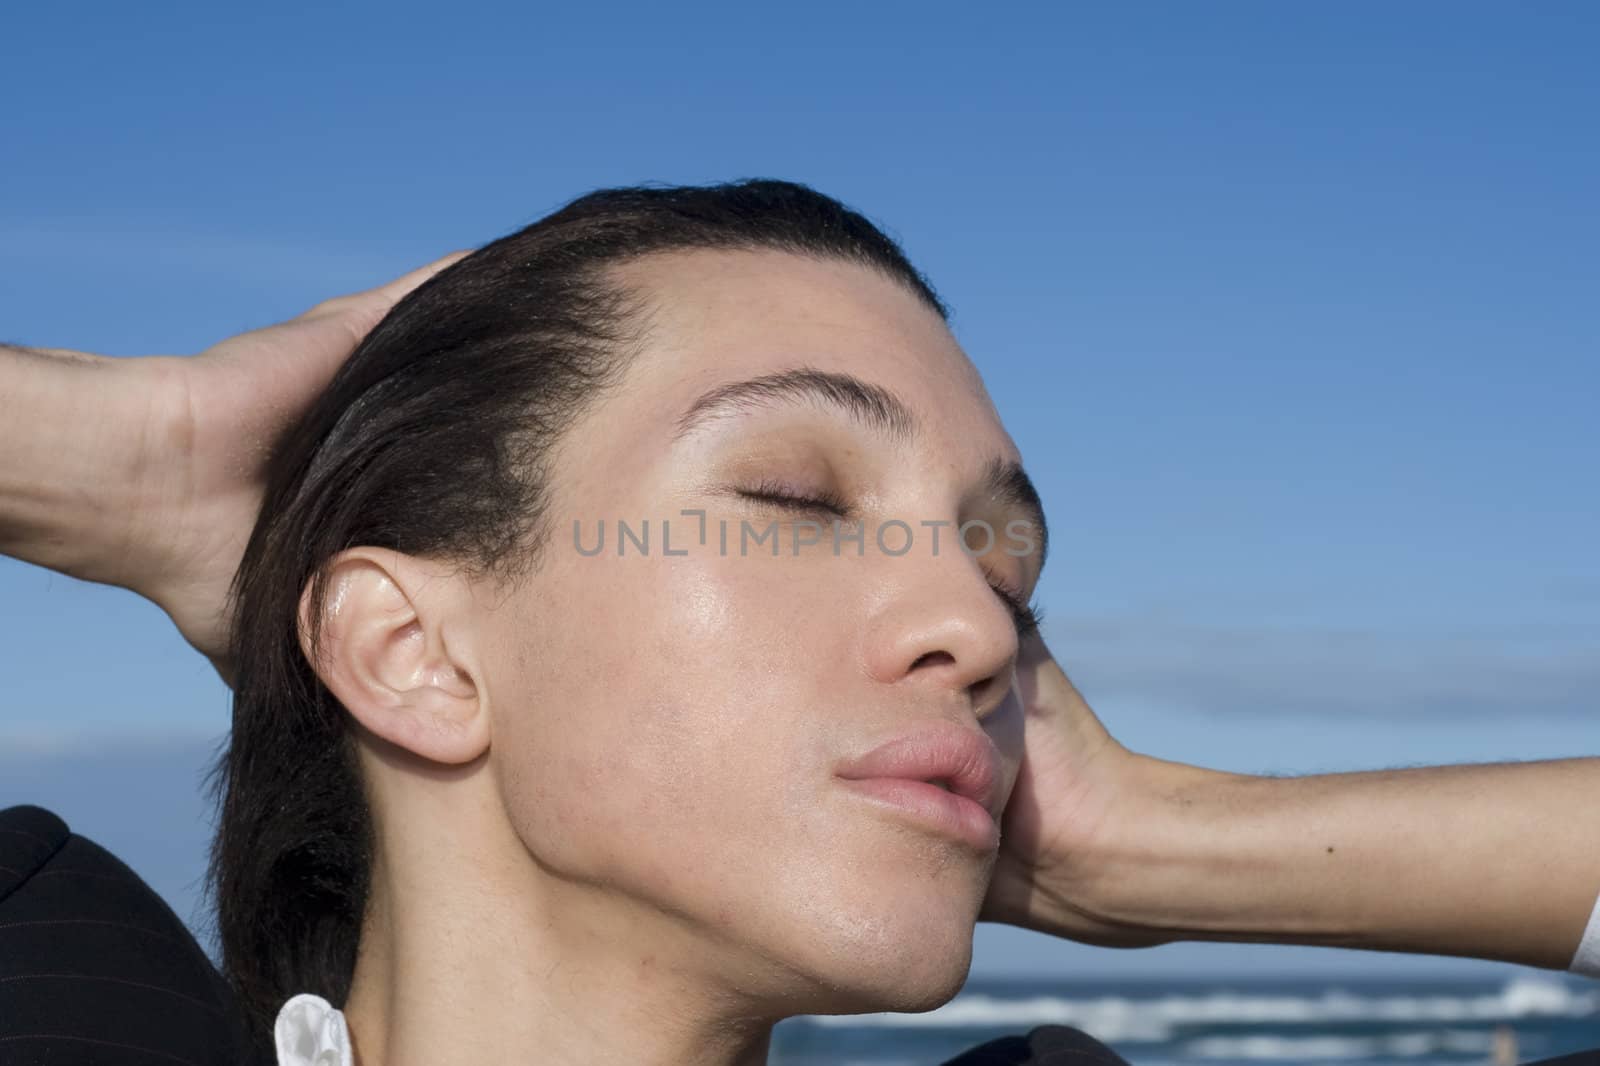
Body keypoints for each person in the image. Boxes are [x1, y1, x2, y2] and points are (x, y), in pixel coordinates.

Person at [0, 180, 1596, 1066]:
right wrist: (116, 459)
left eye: (1005, 562)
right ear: (414, 650)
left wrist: (1157, 850)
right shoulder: (56, 985)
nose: (975, 622)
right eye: (797, 496)